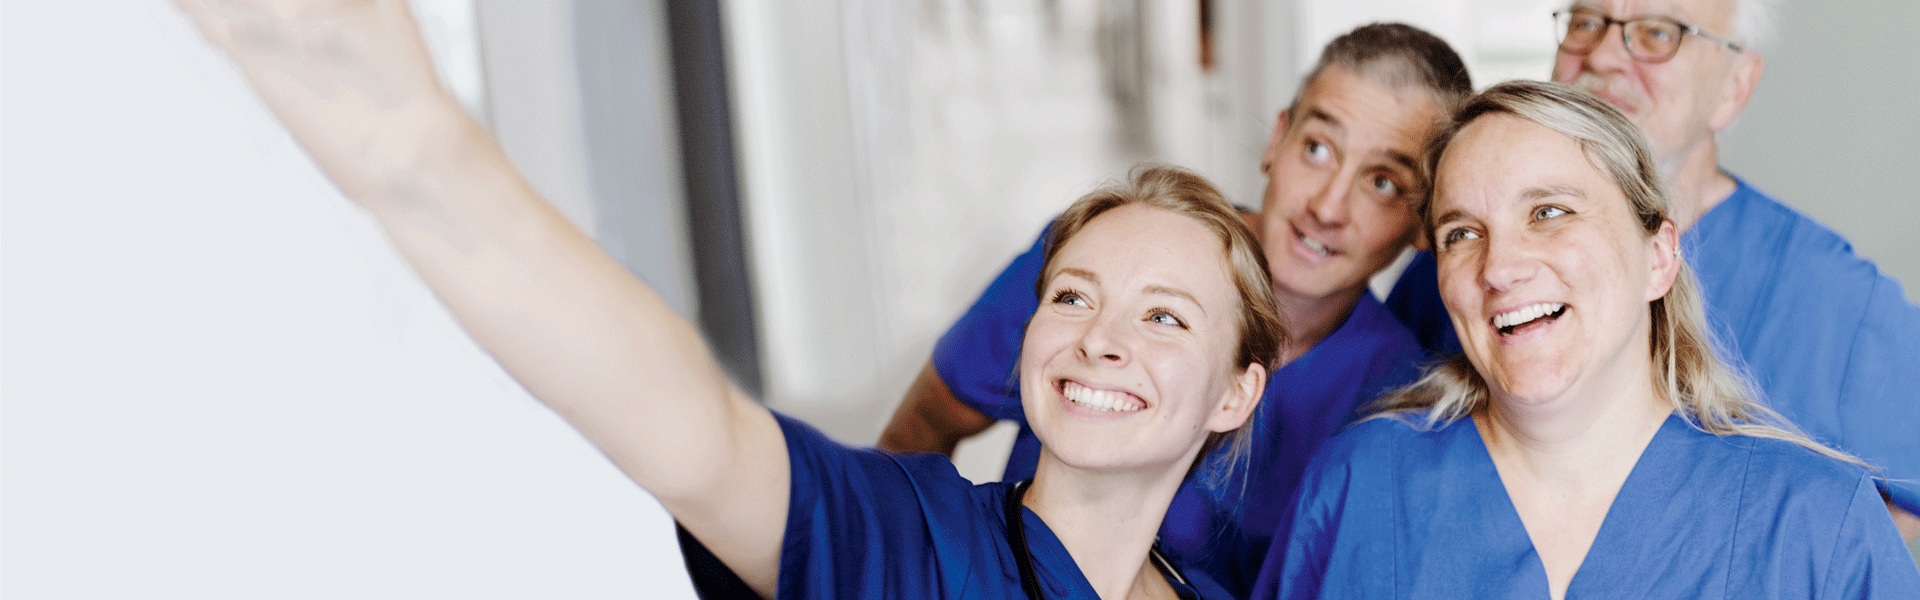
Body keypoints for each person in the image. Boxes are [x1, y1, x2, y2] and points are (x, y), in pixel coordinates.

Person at [181, 6, 1297, 599]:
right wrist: (419, 151)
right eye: (1072, 296)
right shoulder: (908, 544)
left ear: (1236, 394)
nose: (1100, 339)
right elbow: (700, 438)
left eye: (1165, 316)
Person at [1261, 80, 1920, 599]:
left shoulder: (1816, 524)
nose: (1499, 268)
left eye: (1549, 212)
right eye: (1461, 233)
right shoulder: (1357, 489)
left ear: (1659, 256)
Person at [878, 23, 1469, 595]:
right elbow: (928, 423)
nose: (1327, 207)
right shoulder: (1099, 259)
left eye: (1384, 182)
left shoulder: (1397, 402)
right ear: (1277, 140)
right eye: (1317, 149)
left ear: (1426, 222)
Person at [1386, 0, 1920, 534]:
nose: (1603, 55)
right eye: (1585, 22)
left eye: (1658, 33)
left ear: (1735, 86)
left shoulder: (1840, 299)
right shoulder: (1463, 273)